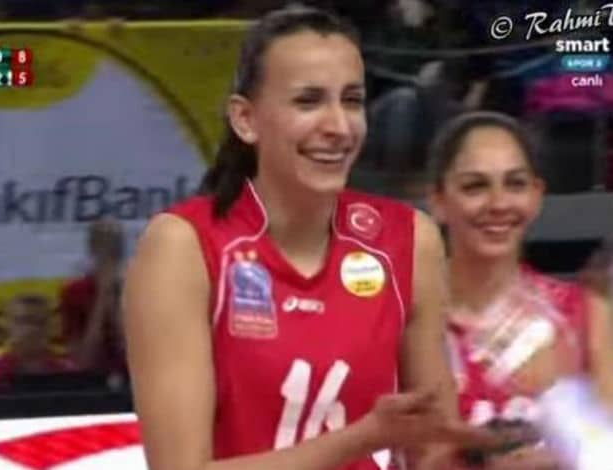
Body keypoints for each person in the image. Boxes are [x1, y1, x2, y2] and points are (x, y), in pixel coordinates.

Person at [123, 6, 501, 470]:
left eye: (352, 101)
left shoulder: (409, 239)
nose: (339, 127)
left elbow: (432, 449)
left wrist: (492, 458)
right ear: (245, 120)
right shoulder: (182, 247)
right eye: (308, 101)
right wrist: (362, 438)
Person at [427, 111, 613, 469]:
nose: (498, 204)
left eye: (515, 184)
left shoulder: (587, 316)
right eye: (475, 186)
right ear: (438, 200)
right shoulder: (403, 318)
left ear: (537, 195)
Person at [58, 217, 126, 375]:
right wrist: (102, 298)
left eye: (115, 247)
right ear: (92, 249)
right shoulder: (74, 292)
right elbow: (83, 359)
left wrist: (113, 303)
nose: (110, 254)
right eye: (104, 246)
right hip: (89, 379)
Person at [0, 294, 72, 393]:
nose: (33, 329)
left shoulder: (69, 375)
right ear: (8, 325)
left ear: (51, 327)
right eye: (24, 321)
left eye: (40, 322)